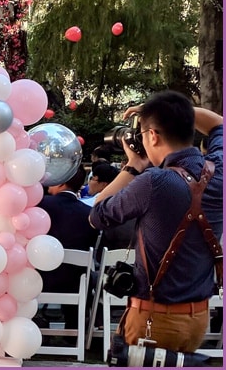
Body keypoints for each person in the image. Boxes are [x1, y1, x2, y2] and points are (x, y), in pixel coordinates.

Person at [89, 90, 223, 354]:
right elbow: (219, 123)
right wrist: (166, 113)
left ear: (153, 135)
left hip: (153, 319)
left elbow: (97, 214)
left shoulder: (153, 182)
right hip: (198, 319)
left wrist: (132, 166)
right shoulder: (219, 166)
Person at [35, 167, 97, 333]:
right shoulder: (89, 213)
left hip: (40, 278)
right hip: (76, 282)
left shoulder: (40, 206)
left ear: (61, 181)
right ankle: (74, 330)